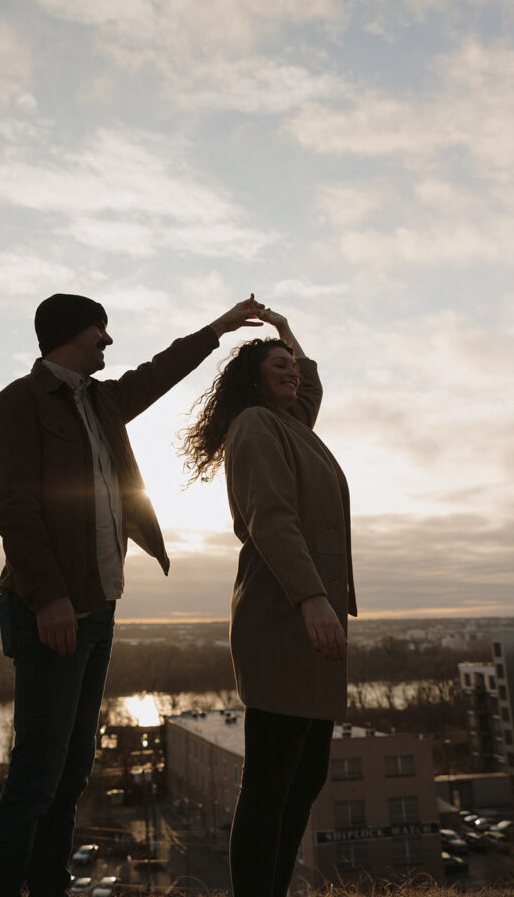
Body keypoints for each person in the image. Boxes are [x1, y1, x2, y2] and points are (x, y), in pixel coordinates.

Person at [0, 292, 265, 897]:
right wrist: (50, 597)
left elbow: (163, 369)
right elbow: (14, 509)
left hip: (99, 606)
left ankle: (48, 887)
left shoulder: (103, 402)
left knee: (71, 771)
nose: (108, 342)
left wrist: (220, 326)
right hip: (50, 610)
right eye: (98, 331)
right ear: (67, 334)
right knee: (37, 772)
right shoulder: (17, 403)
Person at [180, 307, 357, 897]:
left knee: (304, 778)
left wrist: (283, 331)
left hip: (312, 618)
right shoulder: (256, 424)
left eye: (292, 366)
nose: (291, 371)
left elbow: (310, 383)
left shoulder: (293, 426)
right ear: (253, 381)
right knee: (271, 781)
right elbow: (271, 521)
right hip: (284, 616)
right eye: (277, 365)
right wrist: (311, 599)